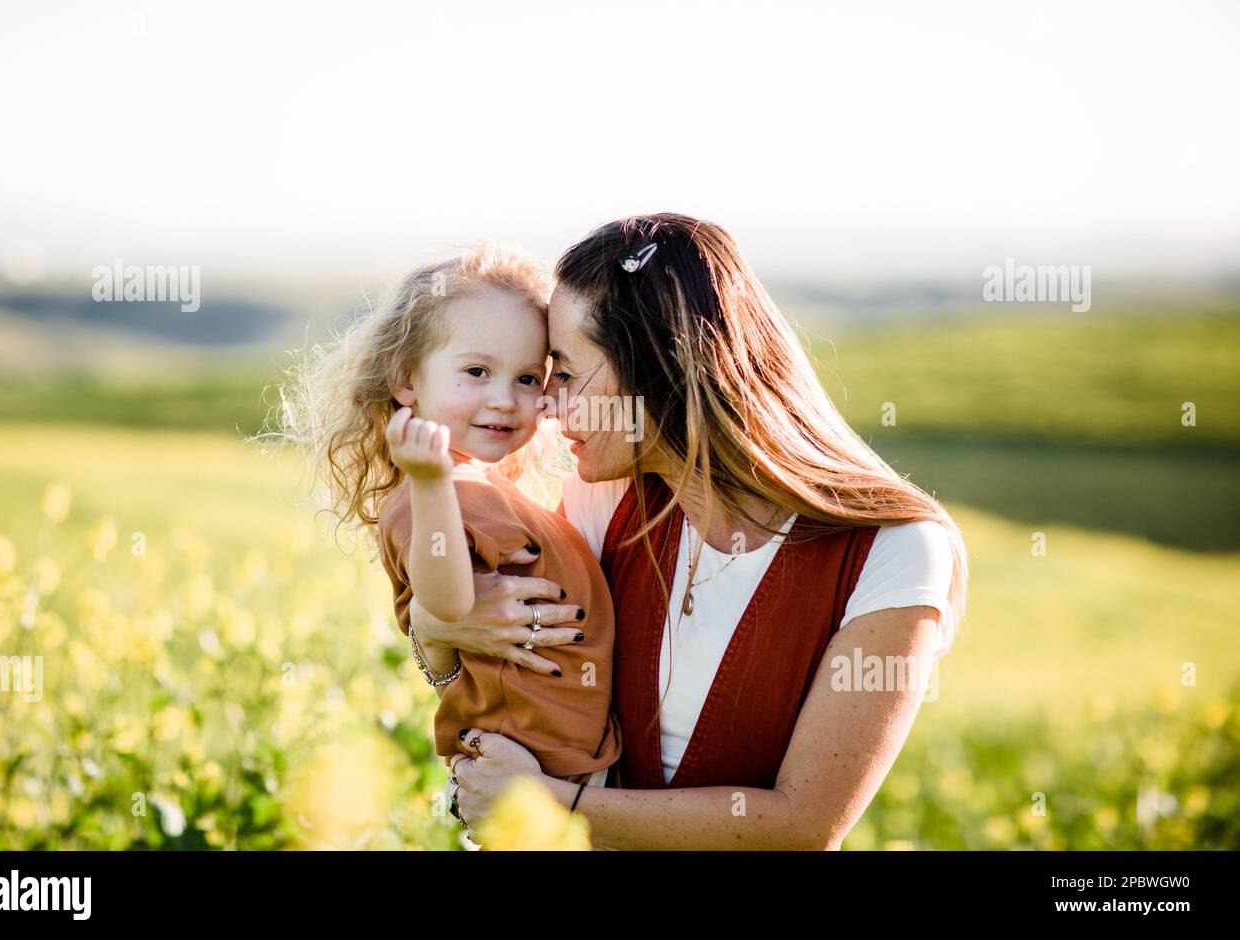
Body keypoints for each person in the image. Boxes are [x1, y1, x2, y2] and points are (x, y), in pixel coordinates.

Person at [415, 213, 970, 850]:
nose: (546, 404)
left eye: (564, 375)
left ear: (657, 368)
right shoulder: (603, 502)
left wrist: (551, 803)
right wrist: (435, 631)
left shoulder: (892, 550)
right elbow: (515, 675)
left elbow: (803, 823)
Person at [273, 245, 622, 821]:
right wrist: (432, 482)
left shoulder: (480, 485)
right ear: (405, 378)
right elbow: (450, 603)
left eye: (529, 378)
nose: (504, 399)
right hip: (526, 765)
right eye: (477, 371)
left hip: (567, 759)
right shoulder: (424, 495)